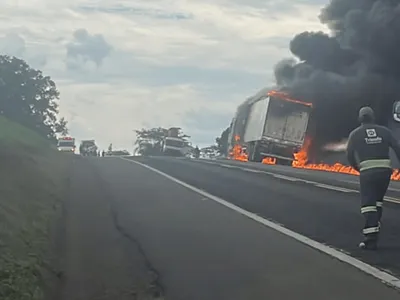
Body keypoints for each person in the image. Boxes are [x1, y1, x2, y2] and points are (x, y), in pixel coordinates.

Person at [347, 106, 400, 250]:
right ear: (373, 117)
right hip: (384, 172)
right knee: (377, 202)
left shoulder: (355, 134)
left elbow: (350, 155)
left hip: (368, 174)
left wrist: (358, 168)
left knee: (368, 205)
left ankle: (371, 238)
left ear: (360, 118)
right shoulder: (384, 131)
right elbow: (397, 147)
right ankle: (375, 224)